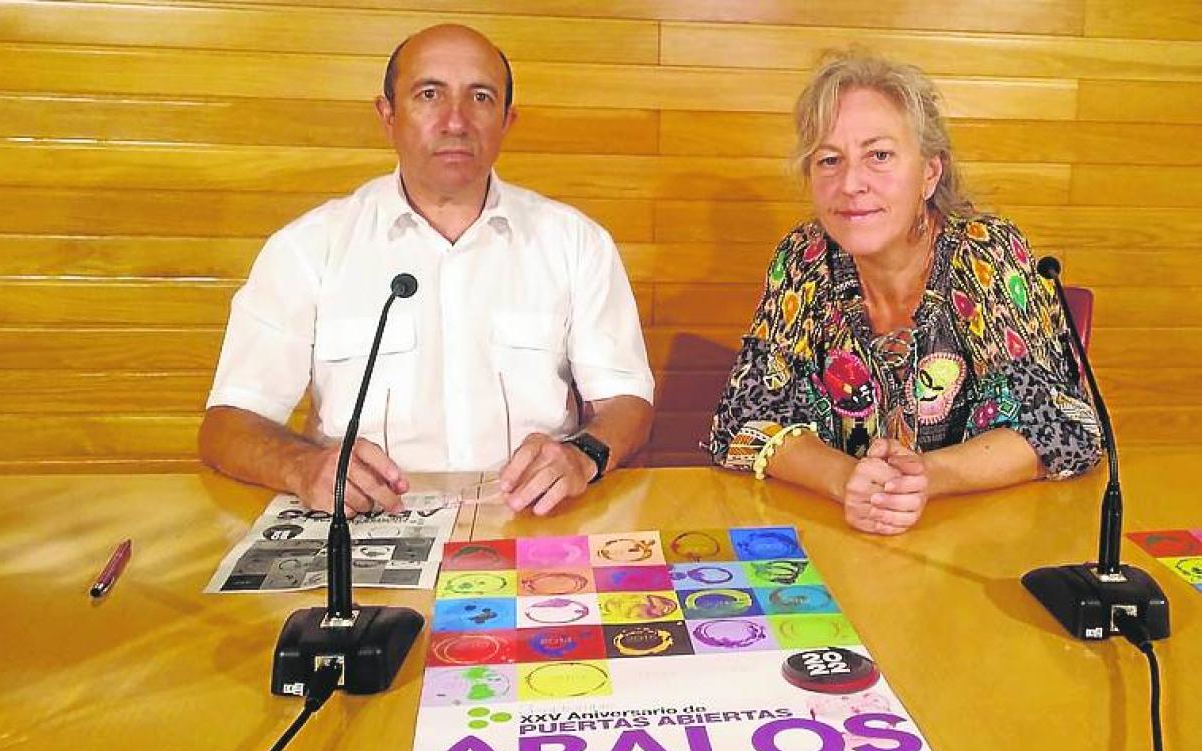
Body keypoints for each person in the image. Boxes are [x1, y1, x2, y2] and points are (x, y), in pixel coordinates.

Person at [198, 24, 654, 516]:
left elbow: (627, 404)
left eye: (480, 97)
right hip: (363, 528)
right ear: (387, 115)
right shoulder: (309, 248)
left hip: (534, 527)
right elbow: (228, 425)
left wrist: (581, 457)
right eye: (429, 94)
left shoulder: (575, 243)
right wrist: (302, 467)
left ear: (507, 120)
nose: (455, 121)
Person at [708, 53, 1102, 536]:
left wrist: (926, 477)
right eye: (830, 160)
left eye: (879, 155)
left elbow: (1068, 428)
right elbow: (741, 422)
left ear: (930, 173)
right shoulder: (803, 258)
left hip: (981, 544)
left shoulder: (984, 254)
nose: (851, 184)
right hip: (839, 537)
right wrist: (844, 478)